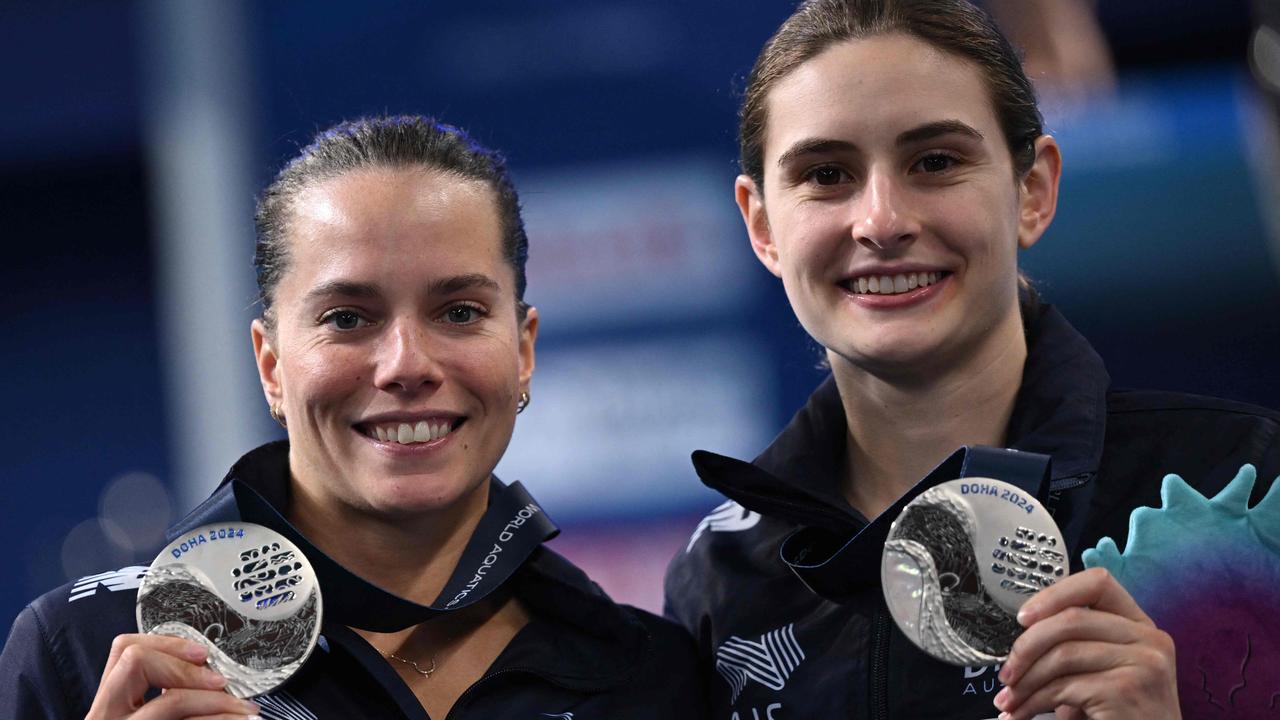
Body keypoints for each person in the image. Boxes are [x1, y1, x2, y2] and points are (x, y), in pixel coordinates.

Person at [663, 1, 1280, 718]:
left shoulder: (1247, 487)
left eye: (935, 162)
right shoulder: (718, 580)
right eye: (827, 174)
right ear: (763, 226)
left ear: (1033, 191)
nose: (883, 222)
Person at [1, 116, 705, 719]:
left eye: (460, 312)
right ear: (272, 365)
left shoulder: (655, 679)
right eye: (347, 318)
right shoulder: (87, 652)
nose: (406, 364)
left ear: (522, 351)